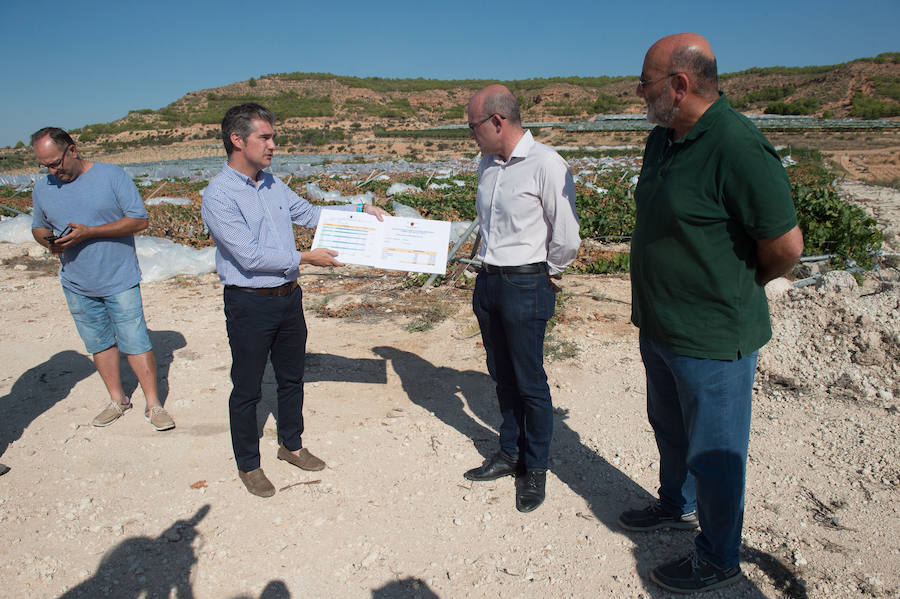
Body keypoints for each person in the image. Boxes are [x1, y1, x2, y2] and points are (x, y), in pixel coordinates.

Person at [620, 33, 804, 593]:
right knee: (670, 430)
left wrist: (735, 290)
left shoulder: (738, 145)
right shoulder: (663, 140)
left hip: (713, 338)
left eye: (646, 82)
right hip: (661, 327)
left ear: (679, 85)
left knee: (716, 455)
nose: (638, 92)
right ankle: (676, 503)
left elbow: (786, 247)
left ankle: (719, 555)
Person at [202, 103, 388, 498]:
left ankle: (292, 444)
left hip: (288, 298)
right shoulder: (218, 195)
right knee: (247, 387)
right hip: (249, 303)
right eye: (264, 137)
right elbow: (248, 256)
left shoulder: (272, 184)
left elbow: (310, 214)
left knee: (291, 377)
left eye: (272, 137)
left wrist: (359, 210)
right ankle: (249, 464)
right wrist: (307, 257)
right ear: (237, 140)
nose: (273, 145)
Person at [462, 85, 581, 513]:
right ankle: (510, 452)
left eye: (473, 126)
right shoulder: (487, 164)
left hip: (525, 283)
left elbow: (566, 235)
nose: (471, 134)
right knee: (501, 374)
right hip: (489, 281)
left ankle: (536, 468)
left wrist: (548, 273)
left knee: (530, 381)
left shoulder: (546, 164)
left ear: (497, 121)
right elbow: (488, 226)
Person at [30, 127, 175, 432]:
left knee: (135, 340)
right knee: (99, 342)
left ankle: (153, 404)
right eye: (45, 166)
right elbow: (38, 226)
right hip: (76, 281)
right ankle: (117, 399)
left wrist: (91, 231)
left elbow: (140, 220)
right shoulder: (43, 187)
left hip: (118, 277)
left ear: (72, 149)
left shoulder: (112, 176)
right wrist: (49, 242)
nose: (53, 171)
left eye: (56, 162)